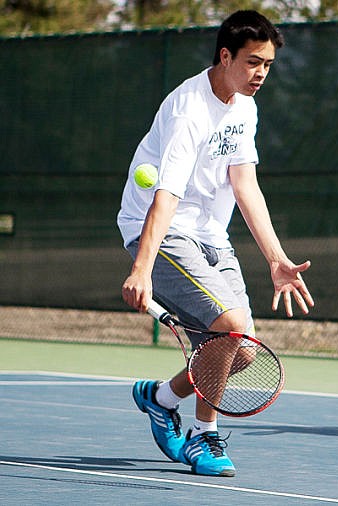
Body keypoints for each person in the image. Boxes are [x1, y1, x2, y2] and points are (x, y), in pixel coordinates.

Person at [117, 10, 314, 477]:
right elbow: (166, 195)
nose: (261, 72)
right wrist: (142, 267)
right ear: (225, 56)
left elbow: (245, 185)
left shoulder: (245, 106)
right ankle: (204, 437)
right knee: (229, 325)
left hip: (211, 236)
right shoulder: (188, 109)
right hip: (163, 233)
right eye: (252, 62)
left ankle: (161, 400)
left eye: (267, 63)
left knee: (240, 349)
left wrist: (277, 260)